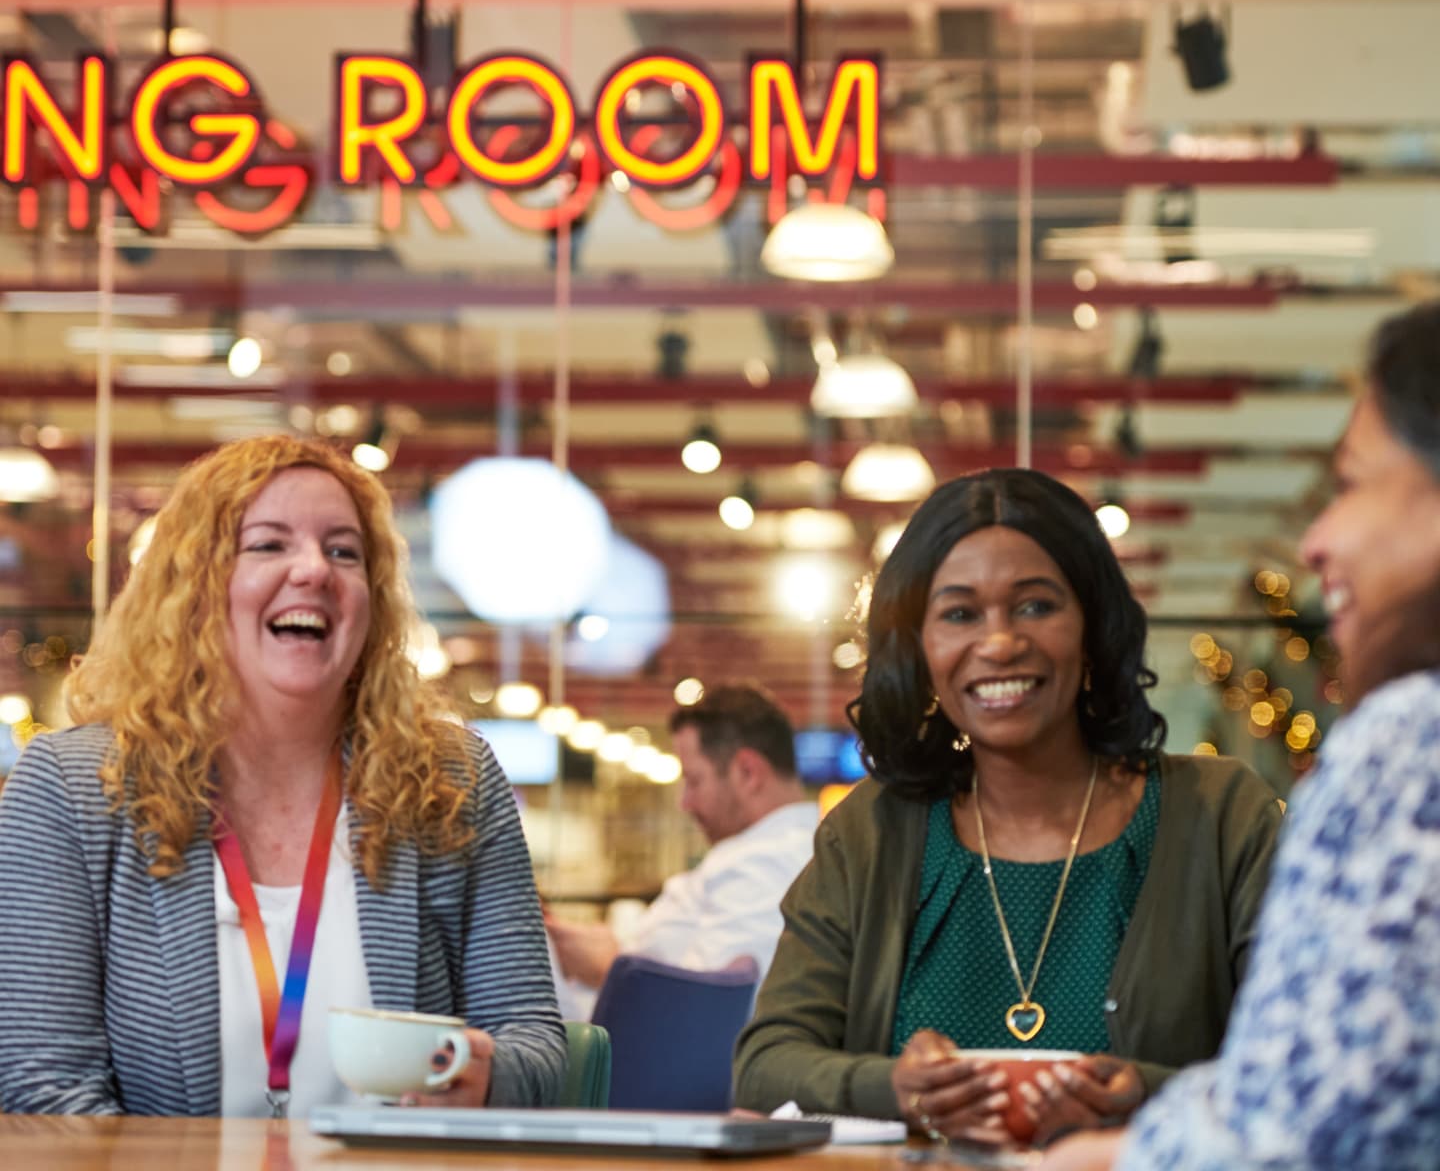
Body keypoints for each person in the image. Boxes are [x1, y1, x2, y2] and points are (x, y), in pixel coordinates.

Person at [0, 435, 565, 1116]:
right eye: (268, 545)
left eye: (343, 551)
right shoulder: (72, 791)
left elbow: (537, 1046)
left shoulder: (451, 783)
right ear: (195, 588)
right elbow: (42, 1088)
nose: (314, 572)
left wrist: (486, 1079)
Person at [733, 468, 1284, 1148]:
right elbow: (765, 1063)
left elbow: (1303, 1067)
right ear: (921, 650)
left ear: (1092, 629)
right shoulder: (871, 829)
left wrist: (1145, 1094)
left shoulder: (1223, 817)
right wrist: (894, 1089)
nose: (998, 643)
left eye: (1034, 606)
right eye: (960, 614)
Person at [1038, 302, 1440, 1171]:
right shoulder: (874, 829)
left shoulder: (1408, 746)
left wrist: (1112, 1154)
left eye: (1351, 484)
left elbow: (1304, 1119)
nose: (1317, 538)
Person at [545, 684, 818, 1014]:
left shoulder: (772, 863)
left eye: (694, 780)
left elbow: (713, 1015)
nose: (685, 803)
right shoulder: (759, 852)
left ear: (748, 773)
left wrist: (609, 967)